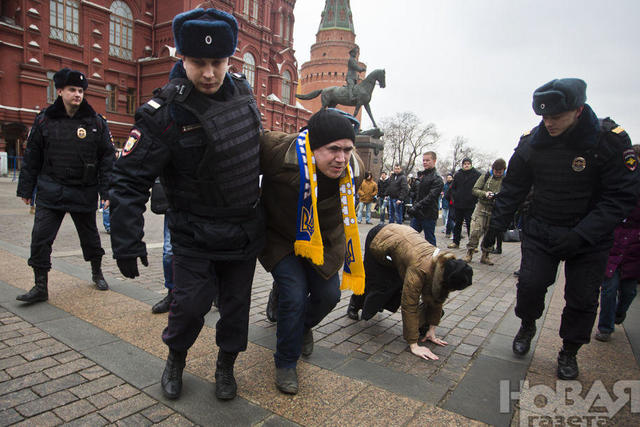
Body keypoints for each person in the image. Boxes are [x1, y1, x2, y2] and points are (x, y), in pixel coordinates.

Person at [108, 7, 265, 402]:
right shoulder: (163, 113)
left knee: (235, 309)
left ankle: (226, 365)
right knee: (190, 306)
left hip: (243, 233)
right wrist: (126, 241)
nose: (209, 73)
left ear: (229, 59)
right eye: (198, 62)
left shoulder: (246, 97)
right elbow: (127, 178)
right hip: (194, 233)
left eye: (218, 62)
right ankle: (176, 358)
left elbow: (258, 155)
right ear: (182, 58)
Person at [483, 78, 639, 380]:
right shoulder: (533, 141)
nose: (549, 123)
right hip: (542, 227)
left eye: (556, 117)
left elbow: (620, 196)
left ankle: (569, 350)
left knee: (581, 298)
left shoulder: (610, 141)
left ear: (578, 110)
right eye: (544, 117)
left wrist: (582, 234)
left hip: (589, 237)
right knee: (529, 284)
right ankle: (527, 324)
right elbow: (514, 185)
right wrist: (497, 224)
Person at [260, 108, 364, 395]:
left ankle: (302, 326)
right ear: (313, 145)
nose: (341, 158)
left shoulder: (355, 168)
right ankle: (286, 363)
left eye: (347, 149)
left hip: (326, 241)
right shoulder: (278, 151)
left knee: (328, 296)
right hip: (281, 236)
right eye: (333, 149)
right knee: (293, 295)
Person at [16, 67, 114, 303]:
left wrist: (107, 191)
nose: (78, 95)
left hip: (83, 190)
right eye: (72, 90)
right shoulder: (44, 120)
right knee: (40, 238)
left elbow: (107, 158)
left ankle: (97, 272)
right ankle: (40, 286)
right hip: (52, 190)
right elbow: (32, 156)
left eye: (81, 90)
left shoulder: (96, 122)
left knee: (90, 238)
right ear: (59, 91)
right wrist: (26, 189)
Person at [346, 224, 473, 359]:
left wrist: (432, 329)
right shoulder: (420, 268)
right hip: (379, 240)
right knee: (377, 284)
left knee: (395, 283)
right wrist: (414, 344)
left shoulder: (443, 265)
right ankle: (355, 303)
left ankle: (420, 325)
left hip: (399, 245)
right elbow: (409, 305)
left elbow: (438, 295)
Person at [595, 145, 640, 342]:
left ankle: (619, 313)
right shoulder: (620, 181)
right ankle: (605, 327)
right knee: (609, 287)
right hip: (616, 239)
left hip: (636, 246)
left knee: (629, 290)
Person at [463, 158, 506, 265]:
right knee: (475, 231)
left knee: (490, 234)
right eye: (496, 171)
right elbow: (475, 189)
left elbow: (509, 193)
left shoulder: (506, 180)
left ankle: (485, 255)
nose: (497, 173)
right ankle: (469, 253)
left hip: (495, 209)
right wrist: (485, 194)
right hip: (482, 207)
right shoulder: (485, 176)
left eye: (500, 172)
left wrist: (498, 196)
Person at [149, 178, 175, 314]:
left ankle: (214, 290)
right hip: (175, 203)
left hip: (205, 202)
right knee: (169, 251)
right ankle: (172, 293)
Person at [408, 151, 443, 245]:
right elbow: (418, 193)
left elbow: (431, 197)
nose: (425, 162)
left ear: (434, 161)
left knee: (429, 239)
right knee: (410, 236)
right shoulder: (422, 176)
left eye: (428, 160)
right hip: (418, 213)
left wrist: (416, 206)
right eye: (423, 160)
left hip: (429, 213)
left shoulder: (437, 178)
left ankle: (433, 258)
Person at [447, 158, 481, 249]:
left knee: (471, 225)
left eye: (468, 163)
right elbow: (452, 188)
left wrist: (475, 198)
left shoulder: (477, 174)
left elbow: (480, 187)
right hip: (459, 204)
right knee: (457, 224)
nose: (466, 165)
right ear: (462, 165)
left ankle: (473, 245)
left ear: (471, 164)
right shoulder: (458, 174)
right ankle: (456, 242)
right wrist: (455, 196)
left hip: (470, 204)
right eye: (465, 164)